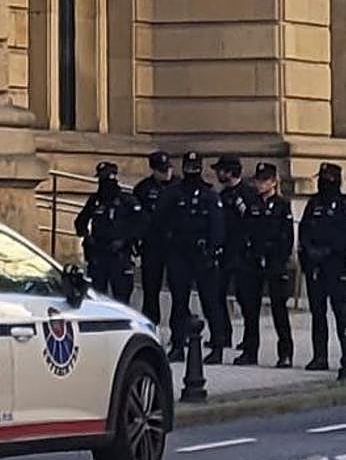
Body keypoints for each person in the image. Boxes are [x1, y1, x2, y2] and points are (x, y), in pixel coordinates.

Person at [158, 152, 229, 364]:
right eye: (188, 167)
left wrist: (213, 250)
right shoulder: (173, 193)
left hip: (202, 254)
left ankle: (217, 346)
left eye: (194, 167)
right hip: (179, 253)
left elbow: (217, 226)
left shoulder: (210, 195)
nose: (191, 171)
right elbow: (160, 221)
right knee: (179, 301)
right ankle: (178, 344)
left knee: (211, 302)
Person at [299, 163, 346, 379]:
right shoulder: (313, 204)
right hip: (316, 266)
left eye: (325, 179)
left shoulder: (345, 205)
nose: (322, 183)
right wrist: (309, 252)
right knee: (318, 313)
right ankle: (320, 356)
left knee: (342, 313)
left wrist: (330, 250)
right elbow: (304, 230)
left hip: (336, 265)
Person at [234, 162, 294, 367]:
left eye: (264, 180)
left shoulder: (282, 205)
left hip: (274, 261)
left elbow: (287, 237)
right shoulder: (253, 205)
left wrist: (280, 259)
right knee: (251, 310)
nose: (259, 184)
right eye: (258, 180)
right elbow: (246, 231)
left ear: (273, 182)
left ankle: (285, 353)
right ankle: (250, 351)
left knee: (279, 309)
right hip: (254, 261)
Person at [74, 162, 145, 304]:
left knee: (122, 297)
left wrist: (124, 240)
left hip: (119, 255)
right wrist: (88, 237)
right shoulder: (95, 200)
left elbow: (140, 225)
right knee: (96, 296)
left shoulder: (126, 201)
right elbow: (80, 222)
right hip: (99, 254)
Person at [132, 151, 178, 327]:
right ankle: (151, 323)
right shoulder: (143, 189)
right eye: (162, 170)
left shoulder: (178, 186)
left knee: (178, 289)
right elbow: (137, 218)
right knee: (151, 287)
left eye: (168, 169)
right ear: (154, 170)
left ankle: (179, 327)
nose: (167, 173)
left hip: (175, 244)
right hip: (152, 244)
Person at [212, 155, 252, 351]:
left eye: (220, 171)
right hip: (225, 252)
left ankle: (249, 337)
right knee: (218, 294)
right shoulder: (222, 195)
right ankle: (223, 334)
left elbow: (252, 222)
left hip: (243, 253)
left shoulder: (247, 193)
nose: (218, 174)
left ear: (229, 172)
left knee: (245, 297)